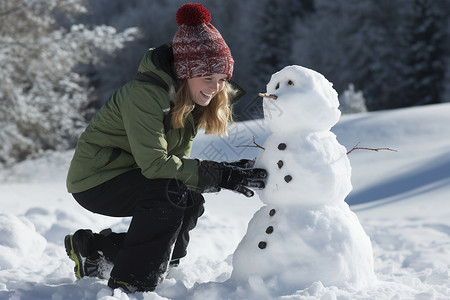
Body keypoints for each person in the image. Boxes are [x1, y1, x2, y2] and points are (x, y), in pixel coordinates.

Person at [64, 3, 267, 293]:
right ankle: (131, 283)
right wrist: (221, 175)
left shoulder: (190, 101)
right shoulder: (145, 95)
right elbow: (157, 165)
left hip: (129, 175)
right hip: (96, 180)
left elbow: (178, 165)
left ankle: (99, 251)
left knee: (189, 197)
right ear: (185, 73)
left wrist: (227, 172)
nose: (216, 87)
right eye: (207, 78)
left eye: (222, 79)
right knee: (169, 193)